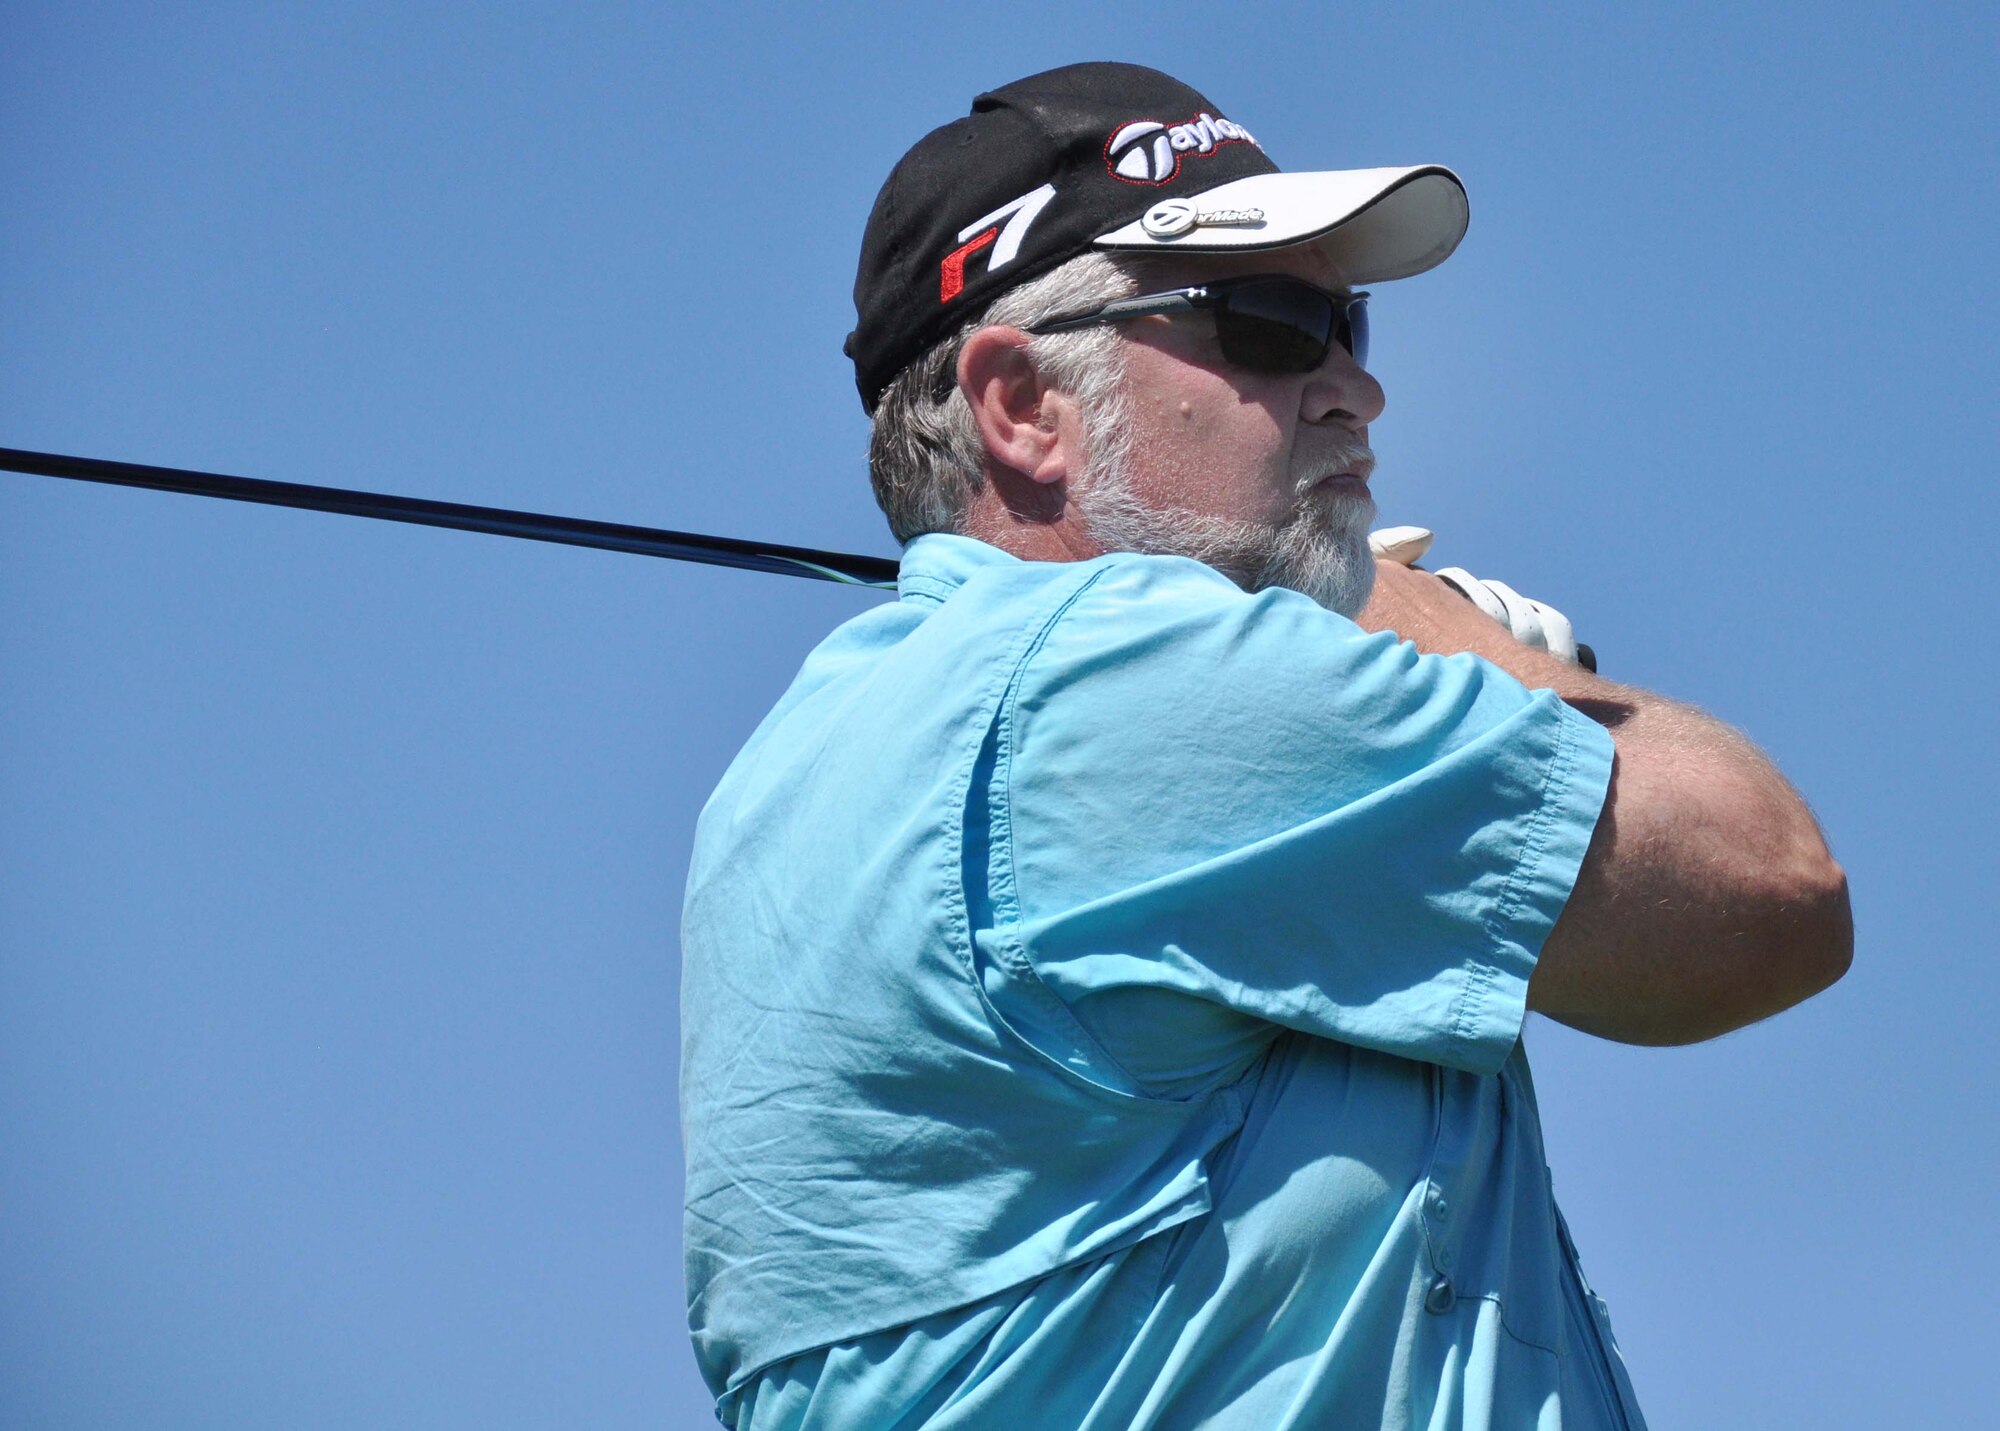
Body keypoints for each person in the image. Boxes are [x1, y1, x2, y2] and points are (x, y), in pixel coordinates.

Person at [680, 62, 1851, 1430]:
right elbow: (1768, 888)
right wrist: (1461, 639)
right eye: (1274, 323)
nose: (1358, 391)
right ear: (1019, 407)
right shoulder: (1125, 677)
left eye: (1348, 320)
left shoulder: (789, 781)